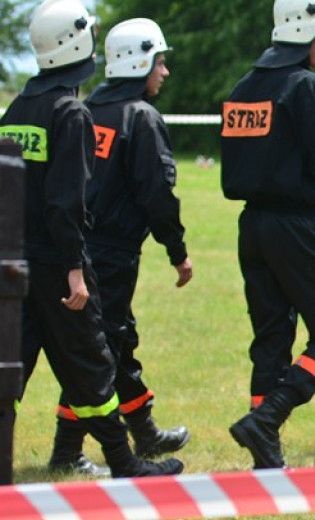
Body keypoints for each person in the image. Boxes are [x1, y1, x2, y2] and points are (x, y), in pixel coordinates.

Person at [0, 0, 182, 478]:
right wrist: (76, 269)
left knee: (10, 368)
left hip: (16, 262)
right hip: (59, 264)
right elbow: (66, 205)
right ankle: (125, 464)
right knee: (91, 363)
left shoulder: (18, 108)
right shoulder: (71, 113)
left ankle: (98, 456)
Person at [222, 0, 315, 469]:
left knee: (271, 335)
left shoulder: (245, 87)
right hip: (296, 228)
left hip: (253, 226)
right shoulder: (304, 84)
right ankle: (267, 420)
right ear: (305, 29)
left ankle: (265, 453)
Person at [47, 18, 193, 477]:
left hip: (83, 246)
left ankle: (143, 429)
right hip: (111, 255)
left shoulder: (91, 107)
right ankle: (69, 450)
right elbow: (157, 195)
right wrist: (178, 250)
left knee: (110, 340)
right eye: (161, 62)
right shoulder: (141, 117)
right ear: (141, 60)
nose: (165, 72)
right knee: (100, 347)